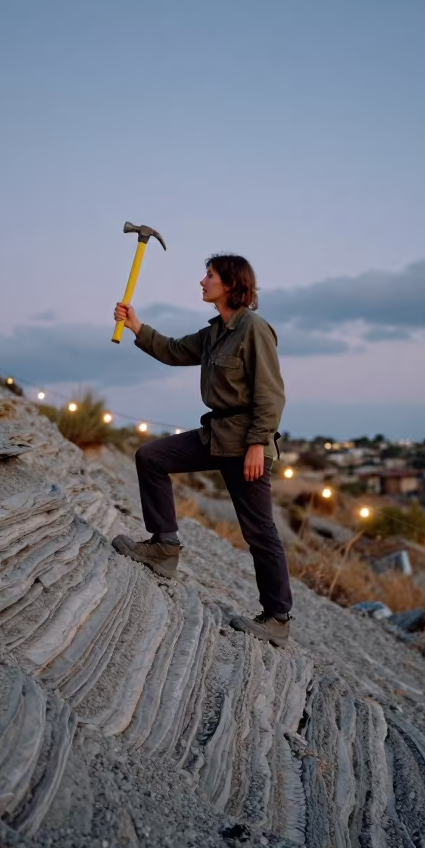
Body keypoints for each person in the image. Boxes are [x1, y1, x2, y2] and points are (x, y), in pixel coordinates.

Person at [111, 253, 293, 647]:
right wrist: (135, 324)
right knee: (151, 456)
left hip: (246, 442)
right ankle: (164, 546)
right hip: (216, 436)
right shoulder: (215, 331)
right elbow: (175, 351)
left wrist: (258, 445)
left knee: (259, 532)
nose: (201, 281)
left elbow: (271, 395)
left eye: (208, 275)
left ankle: (277, 618)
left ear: (230, 283)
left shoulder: (254, 330)